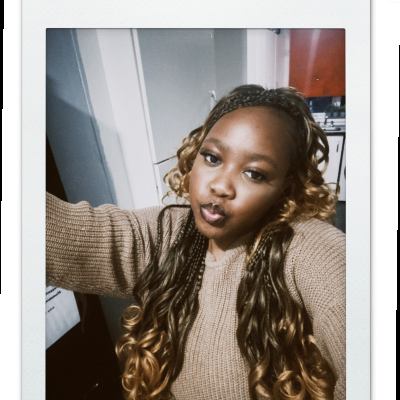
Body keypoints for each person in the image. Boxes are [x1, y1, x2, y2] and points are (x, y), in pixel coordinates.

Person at [46, 85, 345, 400]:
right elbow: (58, 234)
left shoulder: (308, 248)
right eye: (212, 157)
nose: (220, 185)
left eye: (255, 174)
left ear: (286, 188)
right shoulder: (167, 234)